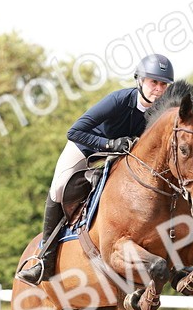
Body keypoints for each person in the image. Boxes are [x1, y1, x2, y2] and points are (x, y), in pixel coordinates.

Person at [15, 53, 174, 285]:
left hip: (116, 157)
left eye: (163, 84)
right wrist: (109, 144)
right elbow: (74, 131)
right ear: (140, 80)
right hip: (86, 147)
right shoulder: (119, 100)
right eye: (153, 82)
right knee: (59, 188)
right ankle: (44, 261)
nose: (158, 89)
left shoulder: (158, 114)